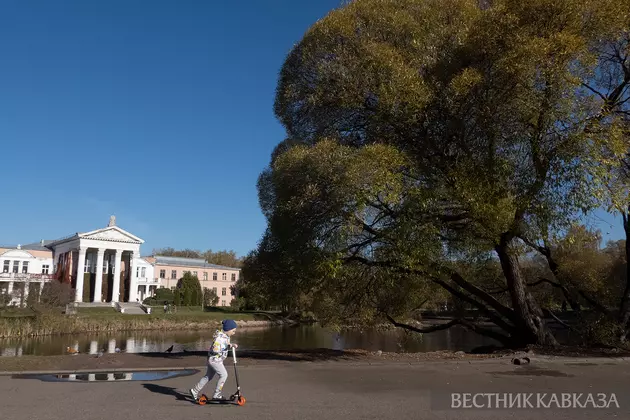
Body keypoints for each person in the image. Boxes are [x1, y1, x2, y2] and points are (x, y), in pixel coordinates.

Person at [189, 319, 239, 401]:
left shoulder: (225, 336)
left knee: (208, 376)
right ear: (228, 329)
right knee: (224, 375)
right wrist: (226, 347)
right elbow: (216, 349)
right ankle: (217, 394)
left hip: (214, 359)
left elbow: (225, 343)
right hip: (215, 360)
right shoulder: (219, 338)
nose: (234, 333)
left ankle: (194, 391)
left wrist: (230, 344)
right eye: (233, 331)